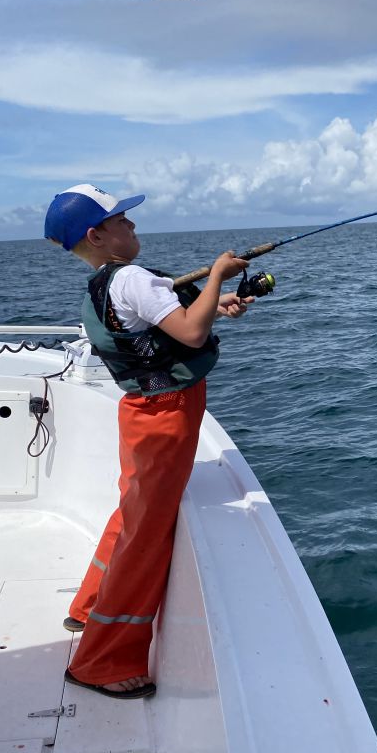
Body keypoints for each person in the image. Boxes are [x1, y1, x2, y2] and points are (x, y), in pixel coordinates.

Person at [44, 183, 250, 699]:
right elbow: (190, 334)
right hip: (166, 415)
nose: (132, 226)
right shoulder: (134, 276)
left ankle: (87, 608)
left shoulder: (103, 284)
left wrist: (214, 301)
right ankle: (101, 661)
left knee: (132, 514)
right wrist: (219, 275)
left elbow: (154, 326)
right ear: (98, 235)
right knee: (146, 536)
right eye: (122, 221)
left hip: (142, 411)